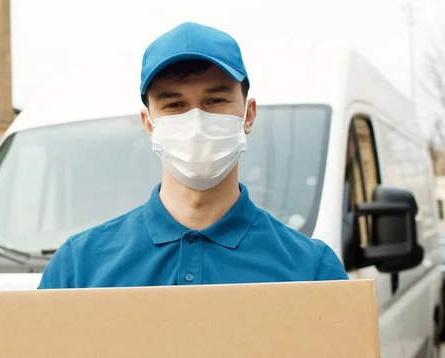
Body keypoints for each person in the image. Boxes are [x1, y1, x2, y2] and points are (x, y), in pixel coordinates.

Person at [37, 22, 348, 289]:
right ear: (149, 124)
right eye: (175, 105)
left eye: (215, 100)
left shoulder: (313, 271)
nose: (196, 121)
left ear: (248, 115)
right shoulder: (78, 268)